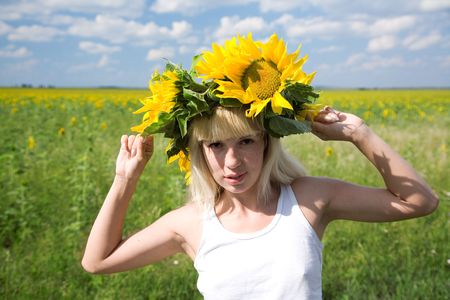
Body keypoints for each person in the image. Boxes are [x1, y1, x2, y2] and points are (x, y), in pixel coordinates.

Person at [81, 105, 438, 299]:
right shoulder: (190, 223)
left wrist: (360, 134)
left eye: (246, 142)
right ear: (199, 153)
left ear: (266, 143)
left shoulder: (307, 199)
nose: (232, 162)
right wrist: (125, 179)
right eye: (216, 146)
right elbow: (97, 262)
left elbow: (419, 202)